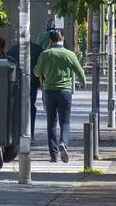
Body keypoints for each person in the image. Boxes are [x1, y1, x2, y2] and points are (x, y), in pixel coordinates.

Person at [34, 29, 86, 162]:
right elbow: (79, 71)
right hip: (65, 92)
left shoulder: (45, 54)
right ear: (62, 38)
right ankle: (63, 142)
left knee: (51, 123)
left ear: (51, 41)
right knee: (65, 121)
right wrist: (82, 83)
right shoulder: (69, 54)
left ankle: (54, 154)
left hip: (49, 92)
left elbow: (36, 72)